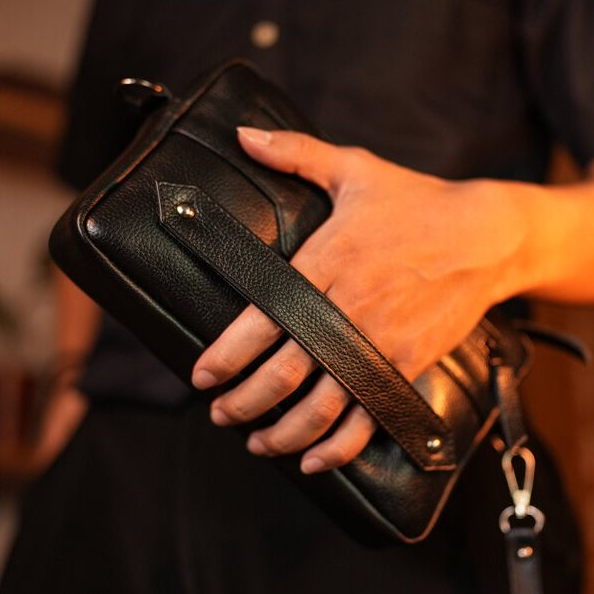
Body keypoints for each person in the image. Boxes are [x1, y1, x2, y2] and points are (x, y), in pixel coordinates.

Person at [2, 0, 592, 592]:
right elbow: (98, 181)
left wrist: (484, 230)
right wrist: (69, 383)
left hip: (393, 462)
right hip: (115, 460)